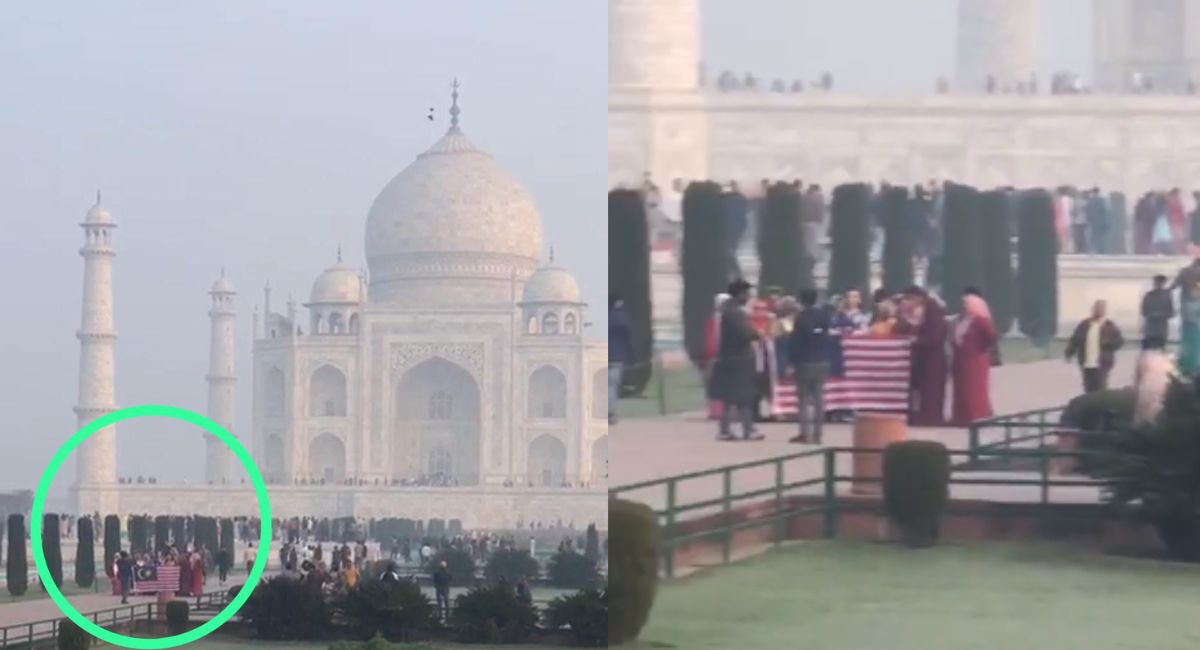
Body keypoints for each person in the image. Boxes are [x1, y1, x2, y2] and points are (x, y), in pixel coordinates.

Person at [709, 279, 764, 441]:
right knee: (743, 397)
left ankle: (727, 430)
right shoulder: (735, 312)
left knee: (731, 398)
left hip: (731, 359)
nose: (748, 297)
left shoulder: (730, 310)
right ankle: (746, 430)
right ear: (740, 294)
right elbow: (745, 333)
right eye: (747, 294)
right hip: (737, 360)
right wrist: (757, 333)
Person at [787, 289, 834, 444]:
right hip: (822, 359)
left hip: (805, 360)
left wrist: (791, 361)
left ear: (802, 301)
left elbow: (796, 342)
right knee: (819, 397)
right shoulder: (824, 315)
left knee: (803, 399)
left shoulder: (800, 318)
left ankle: (804, 433)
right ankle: (818, 434)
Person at [899, 286, 948, 426]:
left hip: (933, 358)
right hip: (919, 358)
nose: (908, 302)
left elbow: (935, 337)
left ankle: (931, 418)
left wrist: (916, 341)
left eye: (910, 299)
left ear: (918, 298)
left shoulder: (933, 310)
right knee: (919, 389)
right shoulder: (915, 311)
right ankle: (918, 416)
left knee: (931, 390)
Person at [951, 293, 997, 425]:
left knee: (974, 389)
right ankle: (961, 416)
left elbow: (991, 337)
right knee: (961, 389)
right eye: (963, 303)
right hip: (960, 359)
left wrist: (980, 349)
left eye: (967, 303)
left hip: (975, 360)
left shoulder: (980, 320)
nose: (964, 306)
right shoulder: (961, 319)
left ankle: (976, 415)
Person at [1064, 300, 1125, 393]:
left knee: (1100, 387)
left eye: (1101, 308)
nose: (1098, 310)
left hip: (1103, 362)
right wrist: (1069, 353)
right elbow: (1075, 339)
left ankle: (1101, 401)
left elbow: (1120, 341)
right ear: (1093, 309)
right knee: (1088, 388)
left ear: (1104, 311)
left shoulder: (1109, 326)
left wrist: (1108, 343)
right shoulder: (1084, 325)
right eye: (1097, 308)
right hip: (1086, 363)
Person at [1170, 252, 1200, 376]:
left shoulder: (1184, 271)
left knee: (1187, 335)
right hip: (1197, 304)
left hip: (1186, 306)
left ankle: (1186, 364)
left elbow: (1173, 286)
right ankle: (1194, 365)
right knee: (1195, 335)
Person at [703, 293, 730, 420]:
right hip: (716, 355)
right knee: (715, 383)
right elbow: (710, 339)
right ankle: (716, 411)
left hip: (726, 355)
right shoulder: (713, 320)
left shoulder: (730, 318)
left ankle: (726, 410)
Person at [608, 296, 633, 426]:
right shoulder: (622, 319)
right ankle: (610, 413)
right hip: (617, 357)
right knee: (612, 386)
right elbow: (628, 339)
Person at [1141, 275, 1174, 351]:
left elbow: (1171, 313)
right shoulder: (1148, 295)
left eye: (1160, 283)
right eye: (1156, 282)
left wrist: (1160, 315)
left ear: (1163, 283)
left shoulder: (1167, 296)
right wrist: (1153, 315)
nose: (1158, 284)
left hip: (1161, 330)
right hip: (1150, 330)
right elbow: (1143, 311)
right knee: (1149, 351)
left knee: (1160, 350)